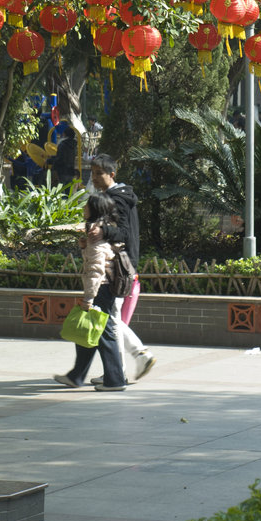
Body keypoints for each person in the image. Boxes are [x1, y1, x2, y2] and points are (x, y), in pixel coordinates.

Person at [89, 153, 156, 382]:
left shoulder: (117, 199)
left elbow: (124, 234)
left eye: (100, 173)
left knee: (110, 320)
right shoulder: (116, 196)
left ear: (112, 174)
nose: (95, 178)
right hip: (121, 263)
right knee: (112, 318)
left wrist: (102, 232)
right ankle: (121, 369)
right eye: (93, 173)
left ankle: (129, 363)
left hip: (119, 265)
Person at [54, 192, 127, 391]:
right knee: (89, 332)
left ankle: (115, 380)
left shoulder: (97, 235)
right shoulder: (102, 232)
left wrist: (88, 298)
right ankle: (77, 376)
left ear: (94, 210)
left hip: (101, 289)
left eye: (86, 205)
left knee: (102, 334)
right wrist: (85, 247)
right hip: (105, 289)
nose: (83, 208)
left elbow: (96, 270)